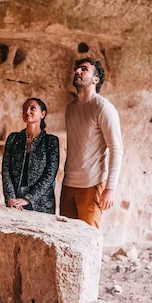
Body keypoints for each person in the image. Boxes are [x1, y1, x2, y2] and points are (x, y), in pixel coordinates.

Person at [60, 57, 123, 228]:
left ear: (96, 80)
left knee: (89, 240)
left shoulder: (103, 107)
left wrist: (110, 189)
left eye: (84, 69)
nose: (78, 72)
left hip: (92, 185)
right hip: (68, 184)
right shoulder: (70, 109)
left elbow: (116, 149)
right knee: (66, 238)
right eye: (77, 69)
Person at [1, 97, 60, 214]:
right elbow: (6, 170)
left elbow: (50, 175)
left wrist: (28, 198)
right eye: (24, 109)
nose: (27, 112)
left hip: (42, 203)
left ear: (43, 114)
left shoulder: (51, 141)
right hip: (16, 202)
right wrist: (10, 198)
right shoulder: (13, 138)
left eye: (32, 108)